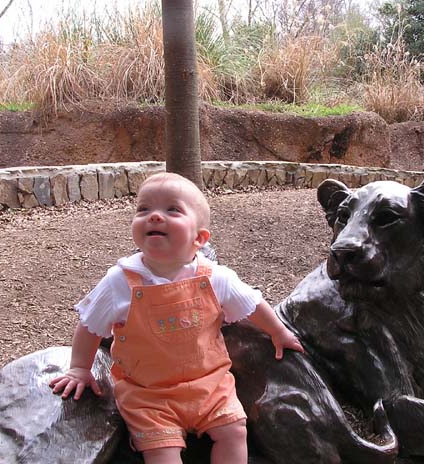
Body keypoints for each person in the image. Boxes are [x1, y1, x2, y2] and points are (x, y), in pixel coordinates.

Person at [49, 172, 304, 464]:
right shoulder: (120, 281)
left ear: (199, 238)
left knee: (234, 431)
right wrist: (80, 368)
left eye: (172, 209)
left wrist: (278, 332)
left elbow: (252, 303)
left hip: (210, 384)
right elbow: (90, 324)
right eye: (144, 209)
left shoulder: (215, 278)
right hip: (148, 393)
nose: (155, 216)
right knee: (161, 451)